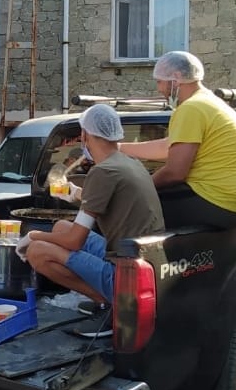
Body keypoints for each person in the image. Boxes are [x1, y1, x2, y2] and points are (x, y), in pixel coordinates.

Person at [20, 104, 163, 313]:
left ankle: (111, 304)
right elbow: (108, 198)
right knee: (60, 226)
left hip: (126, 273)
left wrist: (34, 235)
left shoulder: (102, 171)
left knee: (36, 251)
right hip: (145, 260)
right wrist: (76, 193)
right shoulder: (129, 163)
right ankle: (109, 299)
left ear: (85, 135)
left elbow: (74, 242)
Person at [121, 51, 236, 230]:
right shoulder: (208, 101)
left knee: (130, 209)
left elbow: (174, 172)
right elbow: (168, 146)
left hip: (219, 201)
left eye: (159, 81)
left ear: (176, 78)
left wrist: (141, 187)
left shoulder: (191, 108)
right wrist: (119, 148)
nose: (158, 89)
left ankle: (116, 257)